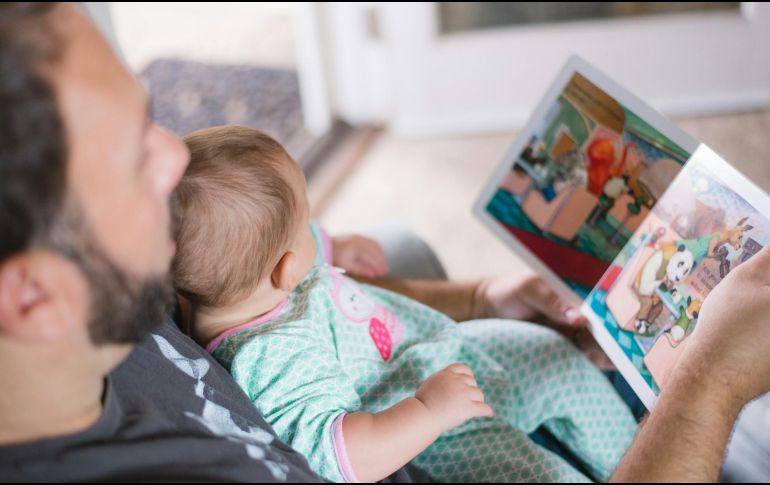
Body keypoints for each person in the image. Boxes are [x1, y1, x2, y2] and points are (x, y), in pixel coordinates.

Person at [0, 3, 768, 482]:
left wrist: (473, 297)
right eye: (135, 154)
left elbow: (300, 293)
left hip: (426, 361)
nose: (176, 159)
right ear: (32, 295)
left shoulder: (133, 272)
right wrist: (712, 381)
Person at [171, 125, 637, 482]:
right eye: (307, 220)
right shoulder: (271, 357)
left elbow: (284, 243)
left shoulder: (245, 279)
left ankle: (636, 455)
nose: (313, 227)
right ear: (286, 269)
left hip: (438, 348)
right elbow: (337, 454)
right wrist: (429, 411)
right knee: (538, 475)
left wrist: (332, 245)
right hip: (437, 430)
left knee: (555, 356)